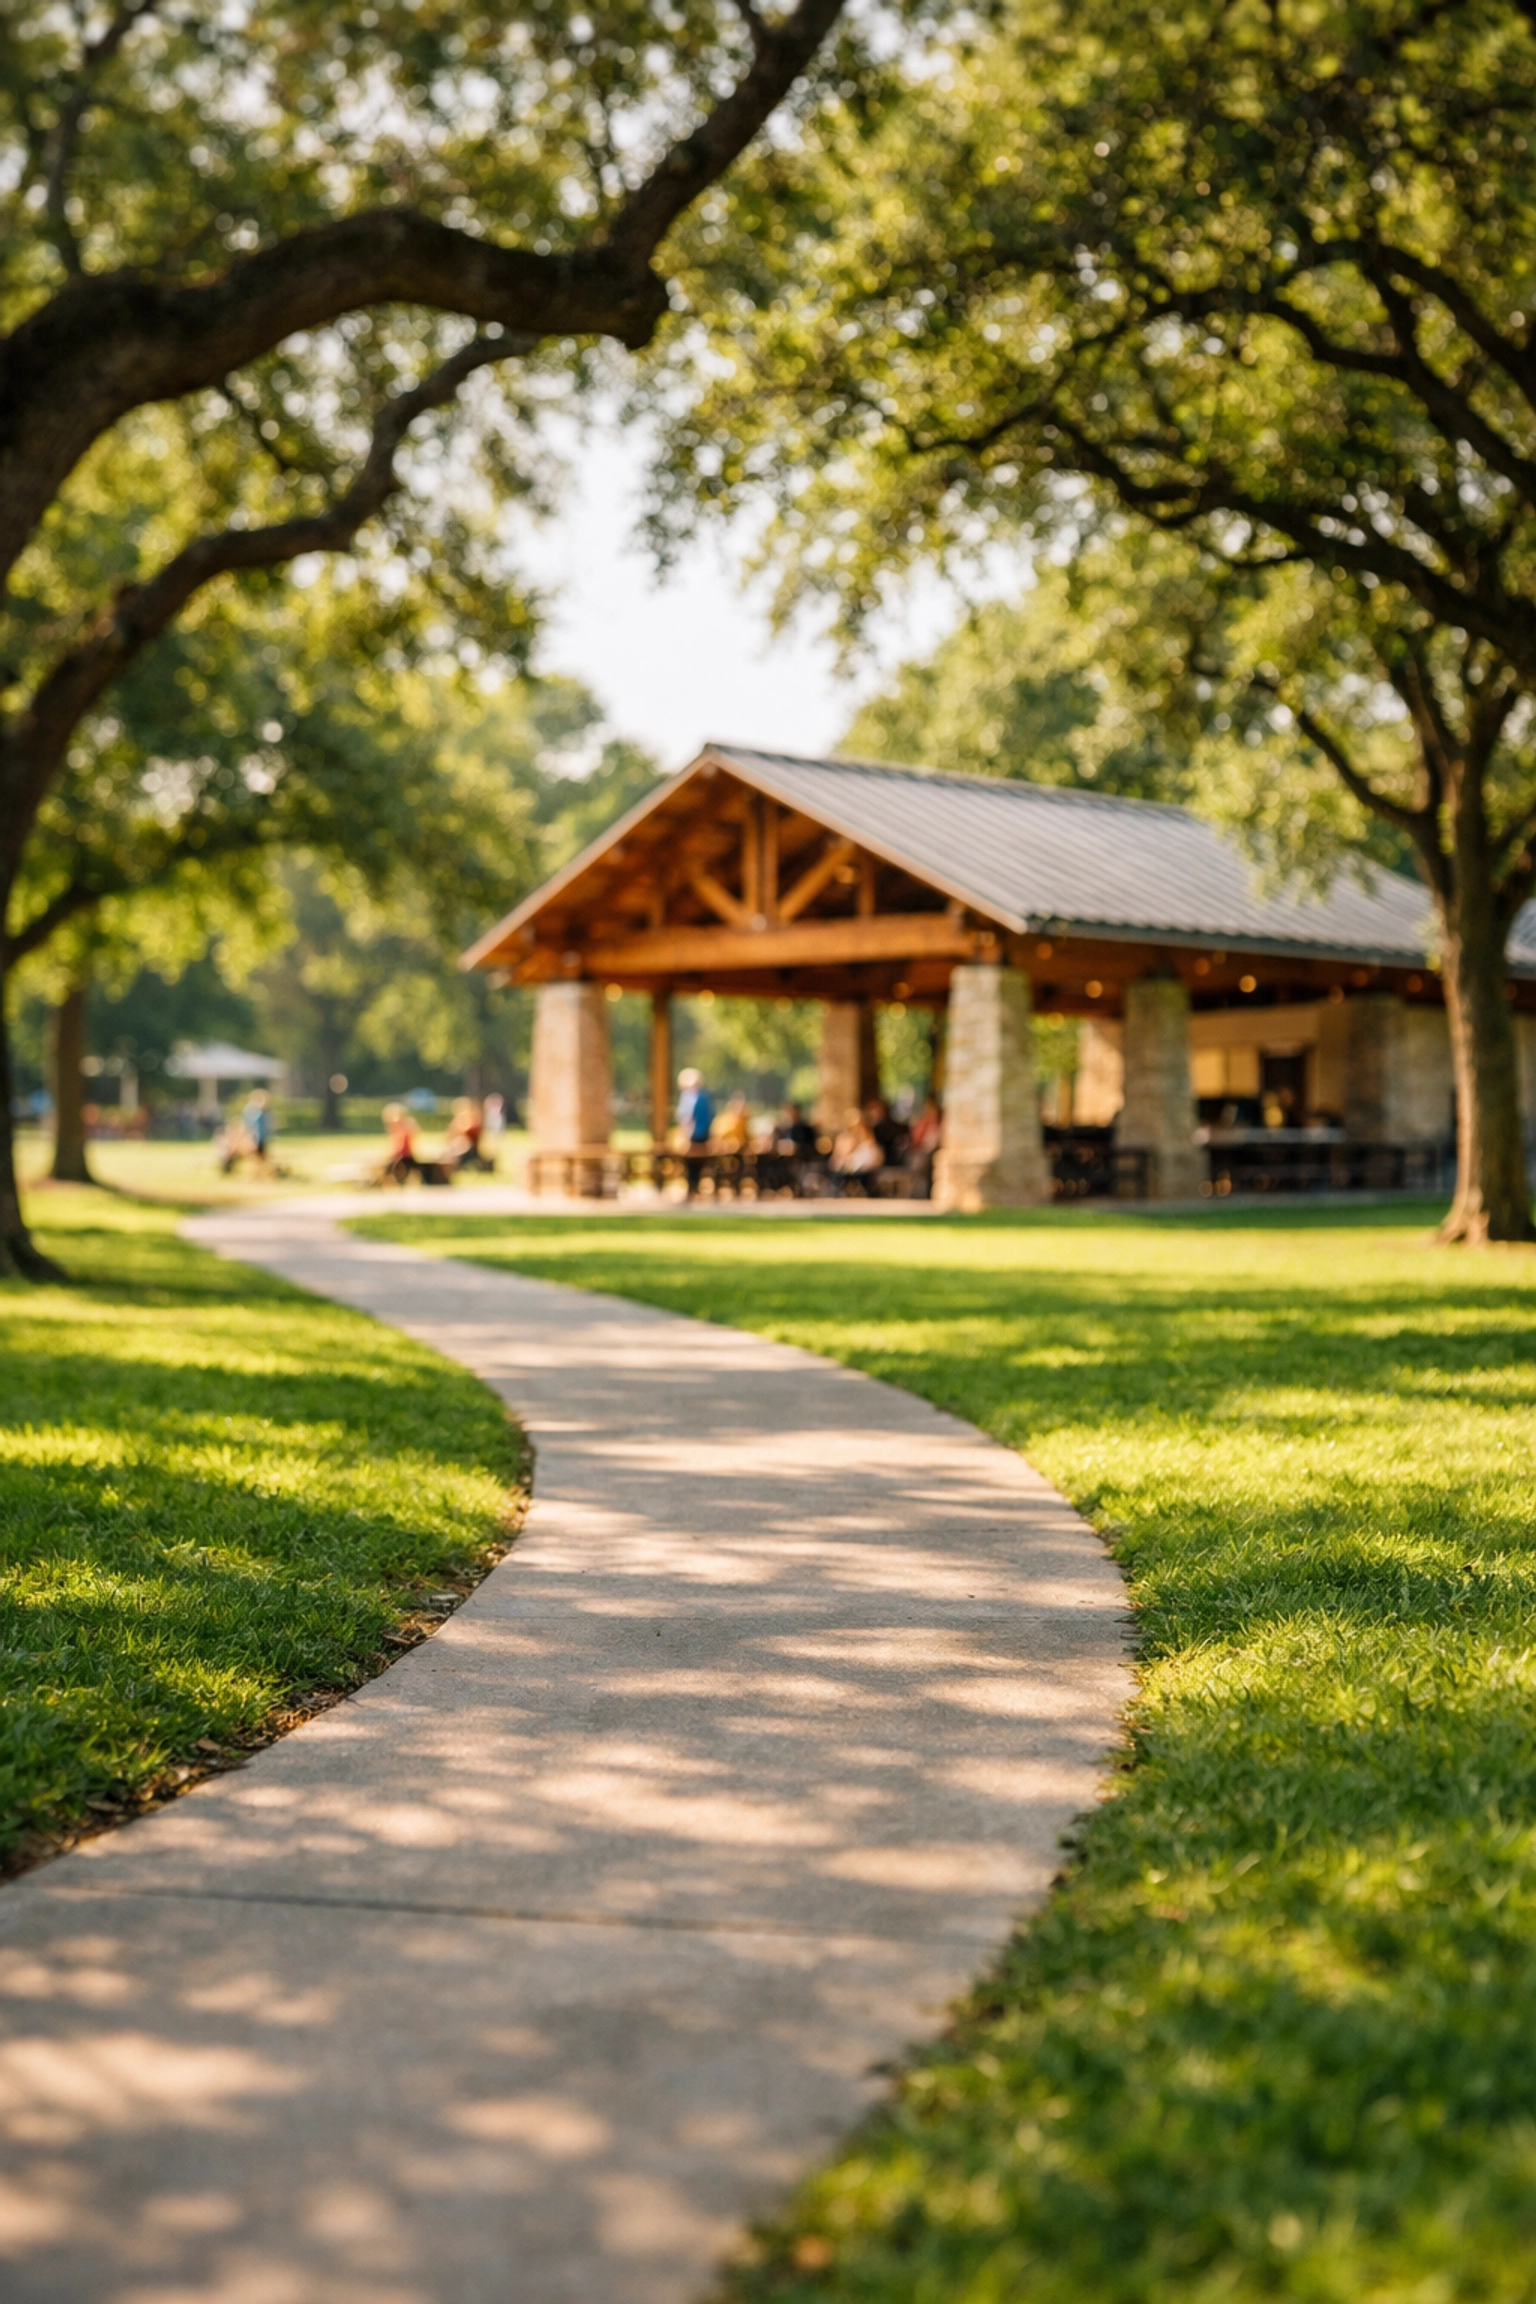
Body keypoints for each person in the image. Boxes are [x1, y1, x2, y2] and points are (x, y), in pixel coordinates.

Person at [675, 1067, 714, 1196]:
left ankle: (693, 1186)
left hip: (696, 1134)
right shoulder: (698, 1097)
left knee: (695, 1162)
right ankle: (692, 1186)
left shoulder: (697, 1097)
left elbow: (686, 1117)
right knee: (691, 1163)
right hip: (695, 1134)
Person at [830, 1105, 882, 1196]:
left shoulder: (867, 1138)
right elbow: (838, 1158)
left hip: (863, 1168)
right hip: (846, 1167)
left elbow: (872, 1154)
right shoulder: (845, 1138)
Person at [380, 1101, 419, 1186]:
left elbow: (400, 1148)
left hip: (403, 1158)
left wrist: (389, 1156)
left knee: (385, 1168)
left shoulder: (403, 1128)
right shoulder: (408, 1125)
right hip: (405, 1157)